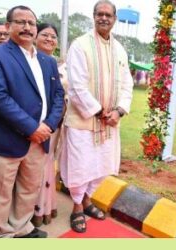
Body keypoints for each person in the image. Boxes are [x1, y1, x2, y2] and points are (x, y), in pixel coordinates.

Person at [0, 5, 65, 238]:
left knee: (28, 189)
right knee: (2, 192)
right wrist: (31, 127)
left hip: (40, 139)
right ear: (8, 26)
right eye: (21, 22)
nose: (27, 27)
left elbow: (58, 96)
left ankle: (21, 227)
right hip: (7, 139)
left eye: (31, 23)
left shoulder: (47, 61)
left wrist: (48, 125)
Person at [61, 0, 134, 233]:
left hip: (110, 122)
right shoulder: (80, 45)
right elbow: (76, 85)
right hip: (83, 121)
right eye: (99, 14)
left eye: (108, 15)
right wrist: (100, 112)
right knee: (80, 167)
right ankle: (76, 207)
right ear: (93, 17)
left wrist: (119, 110)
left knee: (102, 166)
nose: (103, 18)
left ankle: (88, 200)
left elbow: (127, 84)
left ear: (114, 19)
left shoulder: (120, 49)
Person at [31, 23, 66, 227]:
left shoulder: (59, 64)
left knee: (47, 164)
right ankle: (31, 210)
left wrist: (52, 122)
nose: (50, 39)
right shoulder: (27, 61)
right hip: (33, 125)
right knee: (34, 167)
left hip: (54, 123)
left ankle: (46, 206)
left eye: (54, 37)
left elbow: (61, 95)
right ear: (36, 36)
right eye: (45, 35)